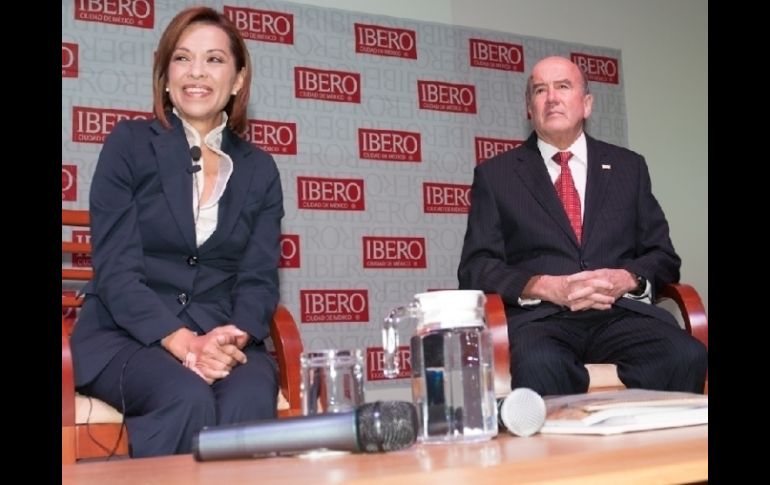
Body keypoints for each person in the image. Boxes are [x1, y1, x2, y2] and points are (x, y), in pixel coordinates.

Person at [71, 6, 284, 457]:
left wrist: (230, 340)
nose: (196, 72)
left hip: (222, 334)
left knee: (248, 394)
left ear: (238, 79)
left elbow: (259, 278)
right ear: (166, 76)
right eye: (182, 58)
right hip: (126, 336)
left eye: (214, 59)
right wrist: (186, 344)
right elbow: (116, 273)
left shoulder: (261, 170)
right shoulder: (128, 144)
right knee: (185, 396)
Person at [457, 56, 707, 396]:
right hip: (542, 321)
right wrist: (542, 285)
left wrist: (626, 279)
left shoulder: (628, 167)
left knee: (685, 355)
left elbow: (663, 257)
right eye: (540, 90)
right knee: (539, 364)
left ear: (586, 104)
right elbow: (476, 268)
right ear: (529, 109)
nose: (551, 98)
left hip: (620, 314)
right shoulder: (496, 175)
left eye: (563, 86)